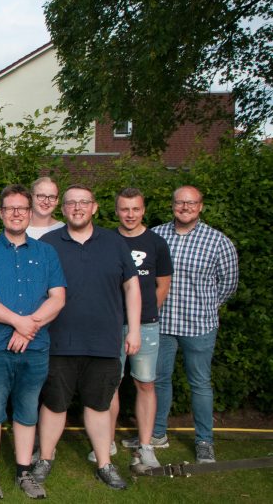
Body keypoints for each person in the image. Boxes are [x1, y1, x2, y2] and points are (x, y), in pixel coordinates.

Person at [35, 185, 141, 491]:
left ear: (94, 207)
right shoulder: (49, 242)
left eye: (83, 202)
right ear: (63, 209)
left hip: (105, 342)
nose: (77, 208)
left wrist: (133, 330)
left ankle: (104, 464)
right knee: (55, 404)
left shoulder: (114, 242)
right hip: (59, 340)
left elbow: (132, 287)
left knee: (99, 405)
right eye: (71, 203)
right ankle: (44, 458)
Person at [0, 184, 66, 500]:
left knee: (27, 409)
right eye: (10, 208)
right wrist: (18, 322)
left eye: (22, 208)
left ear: (30, 212)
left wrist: (29, 328)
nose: (16, 214)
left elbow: (58, 298)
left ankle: (24, 472)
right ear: (1, 213)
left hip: (35, 347)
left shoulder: (46, 253)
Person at [150, 185, 238, 464]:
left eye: (191, 203)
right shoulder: (157, 235)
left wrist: (207, 307)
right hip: (163, 323)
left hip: (199, 326)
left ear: (200, 206)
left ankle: (204, 441)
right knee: (158, 381)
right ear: (172, 205)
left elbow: (229, 285)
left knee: (199, 384)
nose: (185, 207)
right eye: (180, 202)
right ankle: (158, 434)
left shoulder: (218, 241)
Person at [107, 188, 172, 471]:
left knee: (145, 383)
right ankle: (106, 441)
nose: (130, 214)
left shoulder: (157, 243)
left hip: (146, 325)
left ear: (143, 210)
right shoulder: (106, 241)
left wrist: (144, 315)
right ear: (116, 210)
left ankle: (146, 446)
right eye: (124, 209)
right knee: (109, 385)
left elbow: (163, 285)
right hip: (110, 324)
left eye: (135, 209)